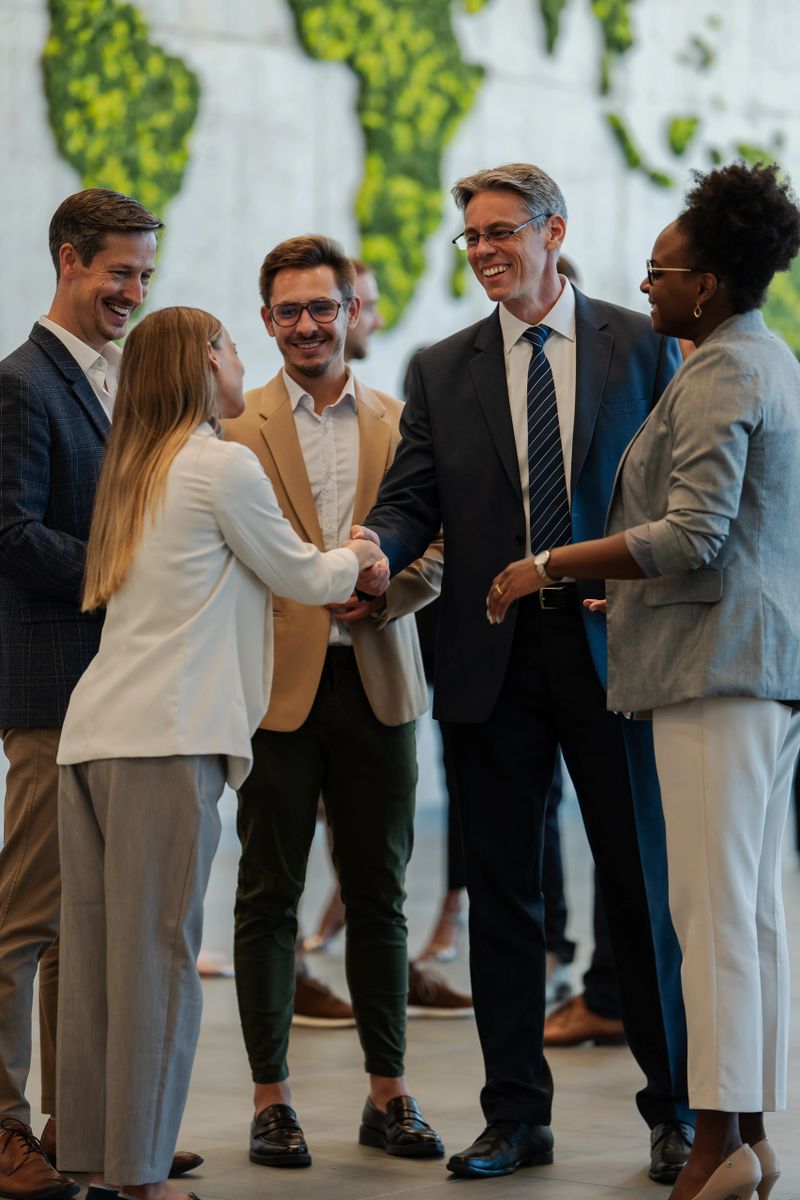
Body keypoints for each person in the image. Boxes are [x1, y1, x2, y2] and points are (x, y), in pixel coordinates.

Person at [357, 162, 692, 1180]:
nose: (483, 251)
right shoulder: (438, 364)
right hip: (486, 653)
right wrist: (374, 544)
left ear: (552, 231)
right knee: (502, 892)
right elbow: (412, 493)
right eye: (470, 238)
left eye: (500, 232)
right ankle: (514, 1116)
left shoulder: (639, 345)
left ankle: (672, 1112)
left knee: (636, 887)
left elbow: (677, 486)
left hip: (612, 647)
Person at [487, 160, 800, 1200]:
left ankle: (713, 1144)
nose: (646, 284)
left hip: (713, 674)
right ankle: (748, 1129)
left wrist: (550, 563)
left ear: (705, 283)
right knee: (749, 916)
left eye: (660, 271)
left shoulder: (713, 369)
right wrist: (611, 594)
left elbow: (693, 534)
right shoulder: (770, 356)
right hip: (754, 668)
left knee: (707, 919)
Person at [54, 305, 380, 1199]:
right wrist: (359, 551)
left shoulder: (133, 471)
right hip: (166, 738)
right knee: (161, 954)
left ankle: (90, 1152)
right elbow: (303, 576)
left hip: (91, 739)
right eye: (234, 346)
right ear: (204, 363)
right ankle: (144, 1173)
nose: (245, 362)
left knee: (95, 962)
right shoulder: (218, 462)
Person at [223, 235, 445, 1171]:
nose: (309, 325)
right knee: (268, 895)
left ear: (355, 310)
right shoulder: (233, 431)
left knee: (381, 895)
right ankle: (271, 1102)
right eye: (290, 311)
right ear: (267, 319)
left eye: (325, 307)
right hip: (272, 692)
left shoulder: (402, 421)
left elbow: (439, 547)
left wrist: (386, 588)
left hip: (378, 680)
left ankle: (387, 1095)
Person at [0, 188, 205, 1200]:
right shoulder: (22, 385)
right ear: (70, 262)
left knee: (90, 924)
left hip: (116, 693)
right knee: (28, 920)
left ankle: (84, 1130)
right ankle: (1, 1128)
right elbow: (8, 535)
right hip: (48, 689)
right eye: (120, 271)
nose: (135, 292)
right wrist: (129, 569)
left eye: (145, 274)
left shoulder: (114, 381)